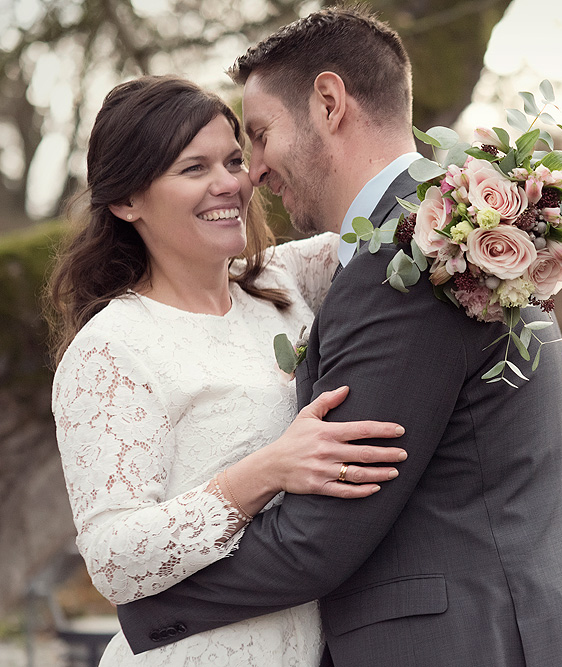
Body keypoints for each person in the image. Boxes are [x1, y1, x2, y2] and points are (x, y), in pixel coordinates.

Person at [117, 6, 562, 667]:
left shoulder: (407, 268)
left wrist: (148, 608)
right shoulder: (470, 236)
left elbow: (321, 536)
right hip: (522, 626)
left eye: (260, 134)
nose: (254, 170)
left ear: (328, 102)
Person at [47, 75, 409, 665]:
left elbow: (395, 218)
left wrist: (509, 199)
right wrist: (267, 470)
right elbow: (113, 560)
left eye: (235, 160)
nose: (231, 184)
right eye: (194, 169)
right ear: (125, 201)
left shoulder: (283, 284)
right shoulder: (113, 348)